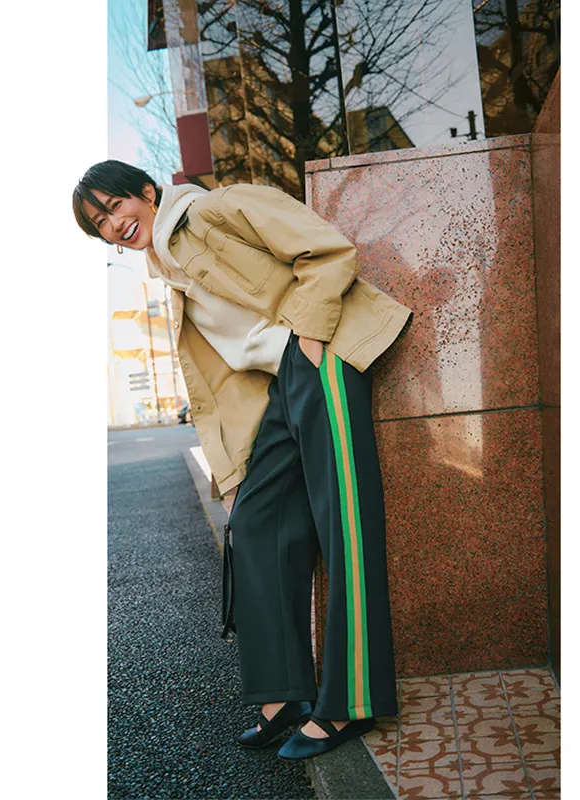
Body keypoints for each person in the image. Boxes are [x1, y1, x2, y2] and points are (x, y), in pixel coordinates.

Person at [74, 160, 412, 759]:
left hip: (319, 356)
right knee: (255, 525)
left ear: (146, 193)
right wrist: (231, 473)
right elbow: (218, 387)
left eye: (114, 205)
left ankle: (352, 703)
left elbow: (326, 248)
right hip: (280, 387)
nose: (113, 223)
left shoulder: (213, 209)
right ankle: (284, 695)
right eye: (99, 222)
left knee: (345, 526)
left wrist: (310, 338)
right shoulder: (170, 271)